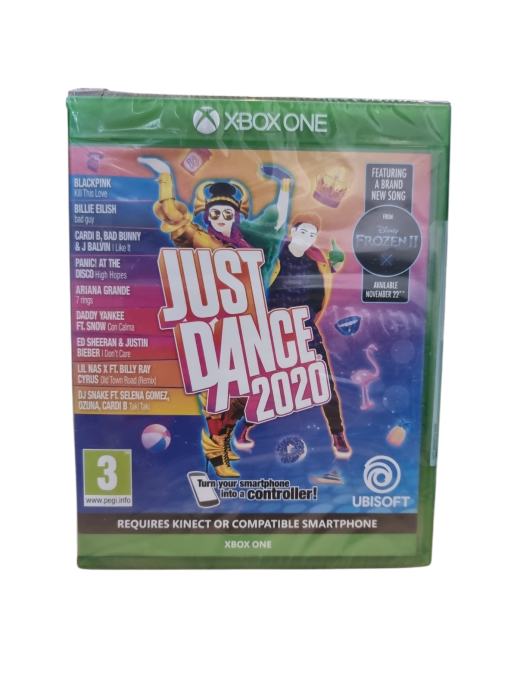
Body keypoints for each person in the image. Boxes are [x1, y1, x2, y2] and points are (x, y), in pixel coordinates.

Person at [140, 157, 293, 477]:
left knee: (243, 396)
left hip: (247, 331)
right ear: (206, 215)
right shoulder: (201, 240)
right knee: (217, 396)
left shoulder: (249, 245)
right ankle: (215, 456)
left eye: (227, 214)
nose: (221, 220)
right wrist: (165, 177)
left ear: (236, 216)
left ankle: (223, 441)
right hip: (212, 331)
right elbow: (175, 219)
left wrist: (285, 186)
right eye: (215, 214)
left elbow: (277, 225)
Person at [235, 213, 352, 460]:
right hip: (274, 327)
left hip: (305, 326)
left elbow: (324, 282)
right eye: (303, 232)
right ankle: (244, 426)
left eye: (312, 235)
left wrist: (335, 264)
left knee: (324, 380)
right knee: (267, 381)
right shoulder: (275, 254)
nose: (307, 238)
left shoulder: (316, 261)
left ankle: (337, 433)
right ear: (293, 231)